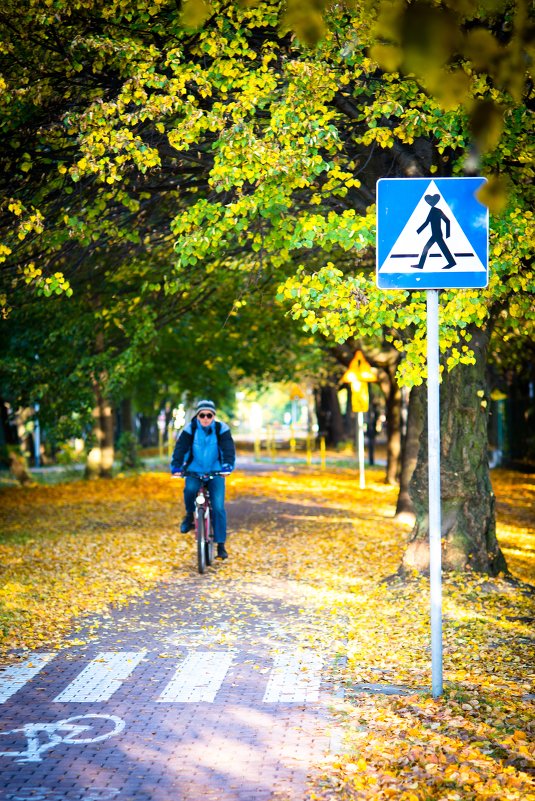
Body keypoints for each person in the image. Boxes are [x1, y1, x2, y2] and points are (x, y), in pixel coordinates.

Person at [171, 400, 235, 560]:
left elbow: (228, 449)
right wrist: (176, 467)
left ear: (213, 416)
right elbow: (180, 449)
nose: (206, 418)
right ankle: (189, 515)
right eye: (202, 415)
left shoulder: (221, 429)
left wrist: (227, 466)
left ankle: (220, 545)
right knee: (190, 490)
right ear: (198, 416)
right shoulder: (190, 429)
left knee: (218, 507)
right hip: (194, 471)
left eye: (209, 415)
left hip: (216, 472)